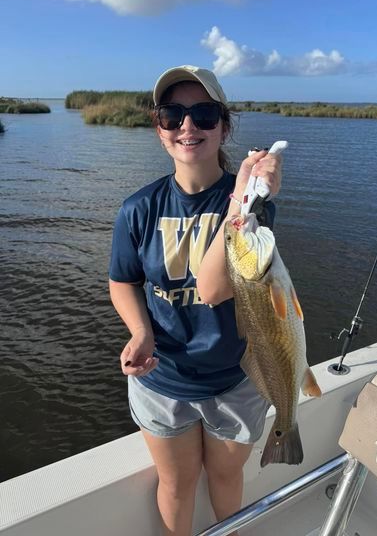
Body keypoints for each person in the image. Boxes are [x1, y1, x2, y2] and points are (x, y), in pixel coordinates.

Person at [109, 65, 281, 536]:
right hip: (162, 380)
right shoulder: (138, 208)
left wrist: (240, 205)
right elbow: (122, 280)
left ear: (225, 126)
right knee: (178, 483)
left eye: (204, 114)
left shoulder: (254, 204)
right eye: (173, 114)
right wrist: (141, 330)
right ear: (159, 126)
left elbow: (215, 288)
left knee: (227, 478)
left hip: (235, 378)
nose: (189, 126)